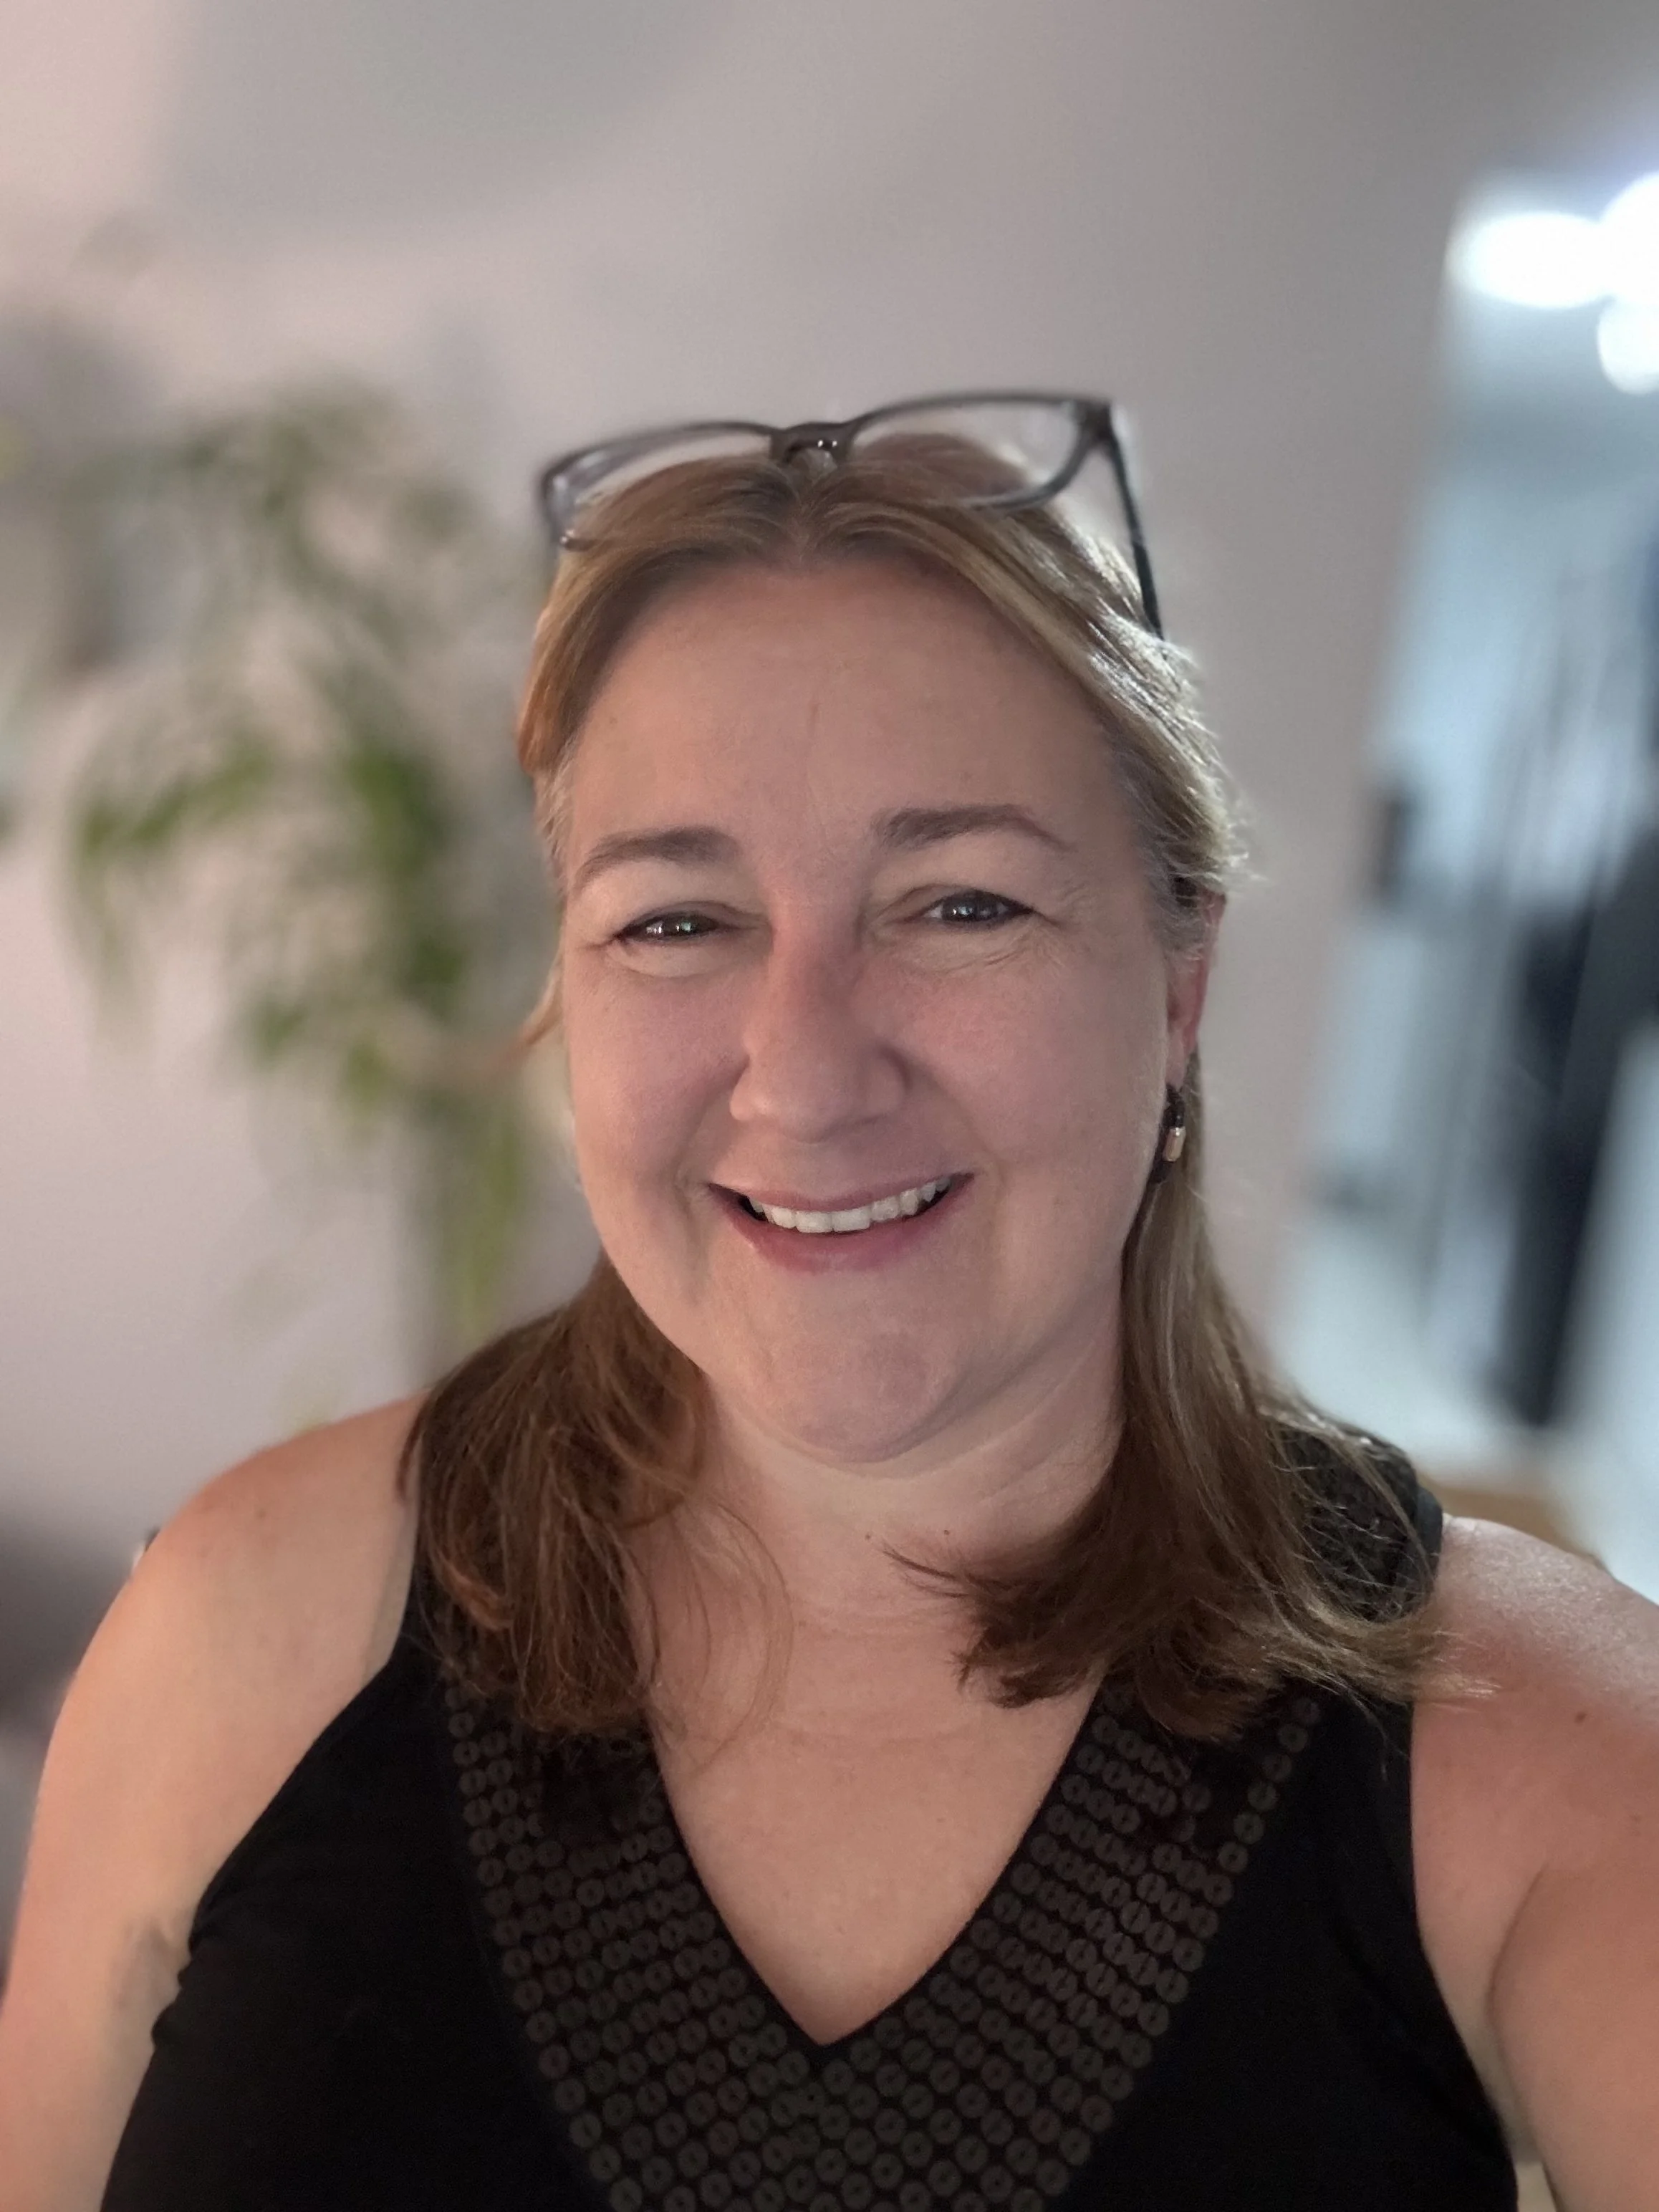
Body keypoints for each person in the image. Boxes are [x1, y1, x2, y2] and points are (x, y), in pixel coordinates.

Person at [1, 394, 1655, 2212]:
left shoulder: (1532, 1744)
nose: (803, 1073)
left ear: (1178, 989)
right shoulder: (245, 1624)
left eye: (959, 904)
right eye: (674, 921)